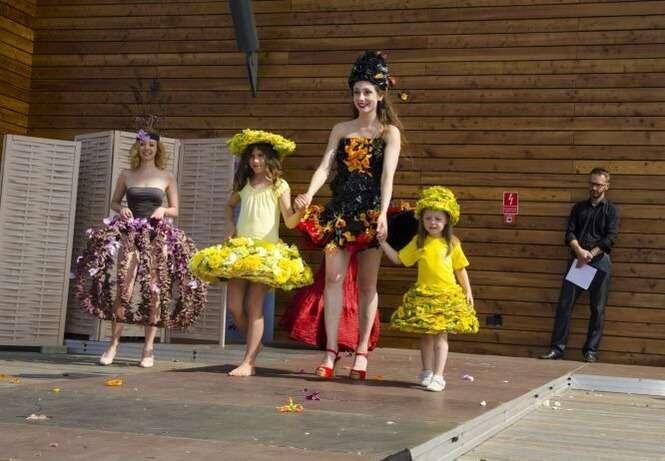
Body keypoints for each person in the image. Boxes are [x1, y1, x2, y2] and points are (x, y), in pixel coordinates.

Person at [291, 50, 403, 380]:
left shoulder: (389, 133)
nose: (361, 98)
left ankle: (362, 351)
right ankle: (330, 351)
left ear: (380, 94)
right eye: (357, 92)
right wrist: (309, 193)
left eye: (368, 92)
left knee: (367, 285)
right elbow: (325, 167)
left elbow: (388, 177)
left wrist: (383, 214)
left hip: (369, 214)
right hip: (338, 214)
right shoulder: (341, 129)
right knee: (333, 279)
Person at [74, 129, 208, 368]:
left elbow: (175, 209)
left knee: (155, 290)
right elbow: (114, 202)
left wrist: (163, 210)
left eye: (151, 145)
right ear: (138, 147)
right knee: (124, 288)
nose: (147, 149)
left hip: (157, 237)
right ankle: (113, 345)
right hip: (131, 235)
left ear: (158, 149)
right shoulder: (126, 175)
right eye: (143, 145)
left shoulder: (167, 176)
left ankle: (148, 349)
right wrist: (121, 209)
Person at [189, 129, 312, 376]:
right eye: (252, 156)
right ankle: (254, 345)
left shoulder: (279, 185)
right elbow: (229, 205)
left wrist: (300, 210)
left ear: (269, 158)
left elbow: (289, 222)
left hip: (266, 254)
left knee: (254, 305)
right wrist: (230, 224)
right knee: (235, 306)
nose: (255, 161)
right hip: (241, 251)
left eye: (260, 156)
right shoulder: (244, 184)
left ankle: (248, 362)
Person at [379, 186, 479, 391]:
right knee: (425, 336)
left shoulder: (452, 243)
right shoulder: (419, 242)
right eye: (428, 218)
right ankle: (427, 371)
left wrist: (468, 291)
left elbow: (460, 269)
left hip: (446, 297)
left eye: (438, 219)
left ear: (447, 220)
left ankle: (439, 376)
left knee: (441, 337)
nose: (433, 222)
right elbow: (399, 259)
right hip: (424, 296)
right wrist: (382, 243)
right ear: (422, 220)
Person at [540, 167, 619, 363]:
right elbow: (569, 233)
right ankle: (557, 349)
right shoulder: (578, 208)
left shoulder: (611, 210)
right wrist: (579, 251)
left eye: (599, 185)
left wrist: (591, 254)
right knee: (565, 305)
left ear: (606, 186)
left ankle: (591, 351)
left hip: (599, 262)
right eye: (592, 183)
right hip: (579, 262)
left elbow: (610, 238)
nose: (594, 188)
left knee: (597, 309)